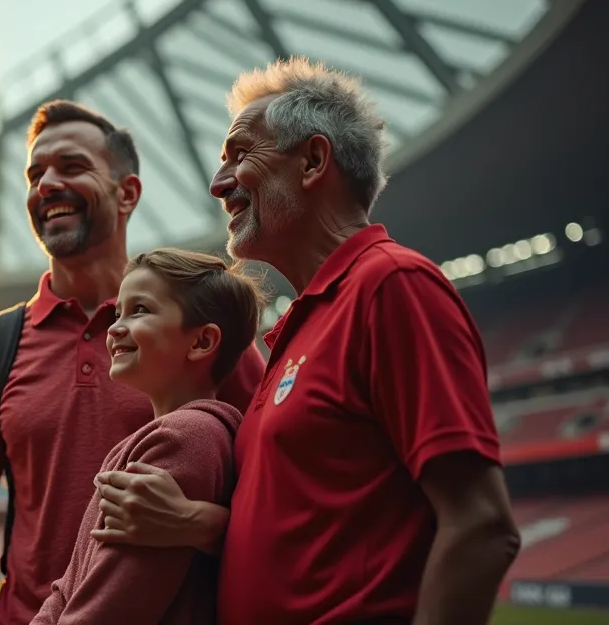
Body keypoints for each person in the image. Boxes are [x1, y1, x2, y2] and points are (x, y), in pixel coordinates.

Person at [92, 56, 521, 625]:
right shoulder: (303, 326)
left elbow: (482, 527)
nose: (219, 184)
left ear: (314, 161)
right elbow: (311, 529)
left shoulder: (391, 285)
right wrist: (199, 524)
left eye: (240, 155)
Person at [0, 101, 266, 625]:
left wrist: (199, 524)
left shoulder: (200, 339)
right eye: (34, 173)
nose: (45, 183)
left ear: (127, 193)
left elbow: (279, 489)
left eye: (71, 167)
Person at [30, 248, 261, 625]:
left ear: (201, 342)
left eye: (140, 310)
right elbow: (70, 585)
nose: (115, 327)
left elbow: (111, 608)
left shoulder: (187, 437)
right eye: (119, 311)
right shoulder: (157, 436)